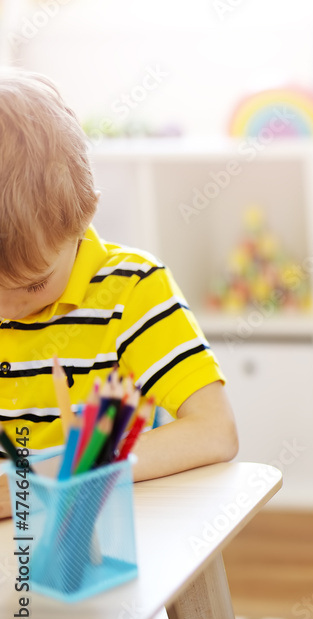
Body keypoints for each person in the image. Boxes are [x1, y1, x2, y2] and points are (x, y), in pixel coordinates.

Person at [0, 68, 237, 516]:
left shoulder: (131, 288)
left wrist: (42, 480)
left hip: (107, 535)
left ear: (83, 215)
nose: (8, 310)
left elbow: (215, 430)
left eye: (33, 284)